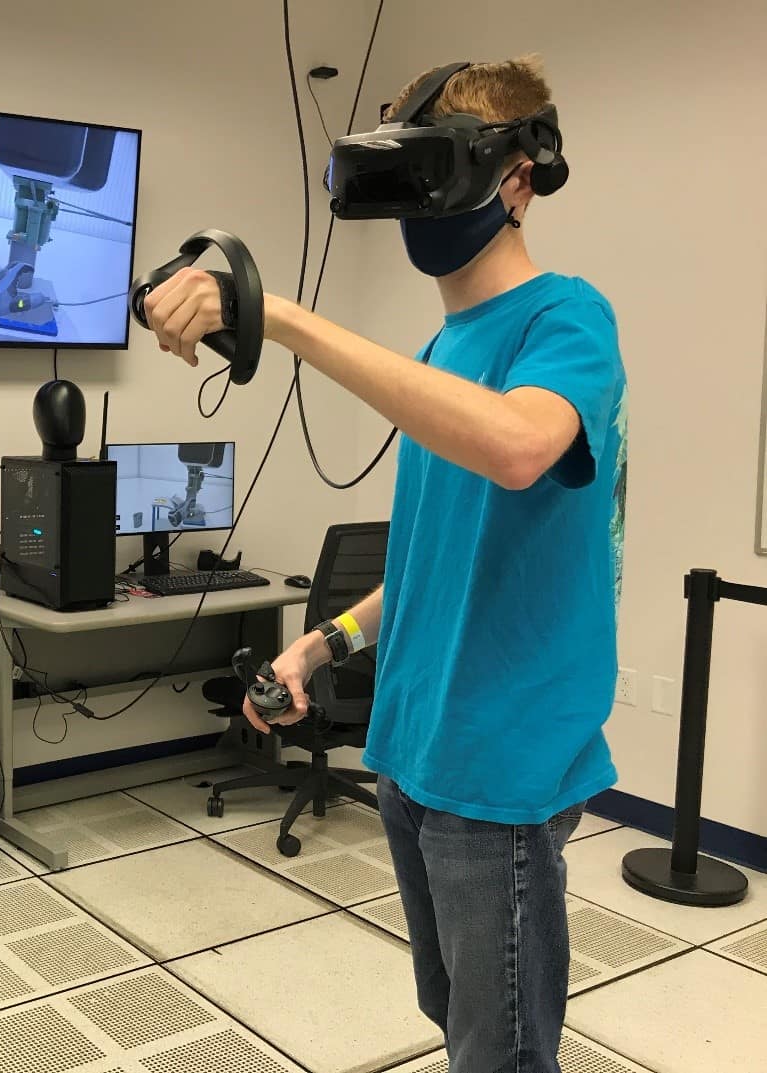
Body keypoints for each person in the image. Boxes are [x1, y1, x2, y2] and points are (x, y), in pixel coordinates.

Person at [142, 55, 627, 1073]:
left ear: (519, 177)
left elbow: (518, 444)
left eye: (436, 171)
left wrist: (281, 318)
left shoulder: (565, 320)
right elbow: (434, 563)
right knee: (455, 1014)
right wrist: (323, 643)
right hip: (415, 749)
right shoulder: (447, 349)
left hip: (502, 769)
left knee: (501, 1052)